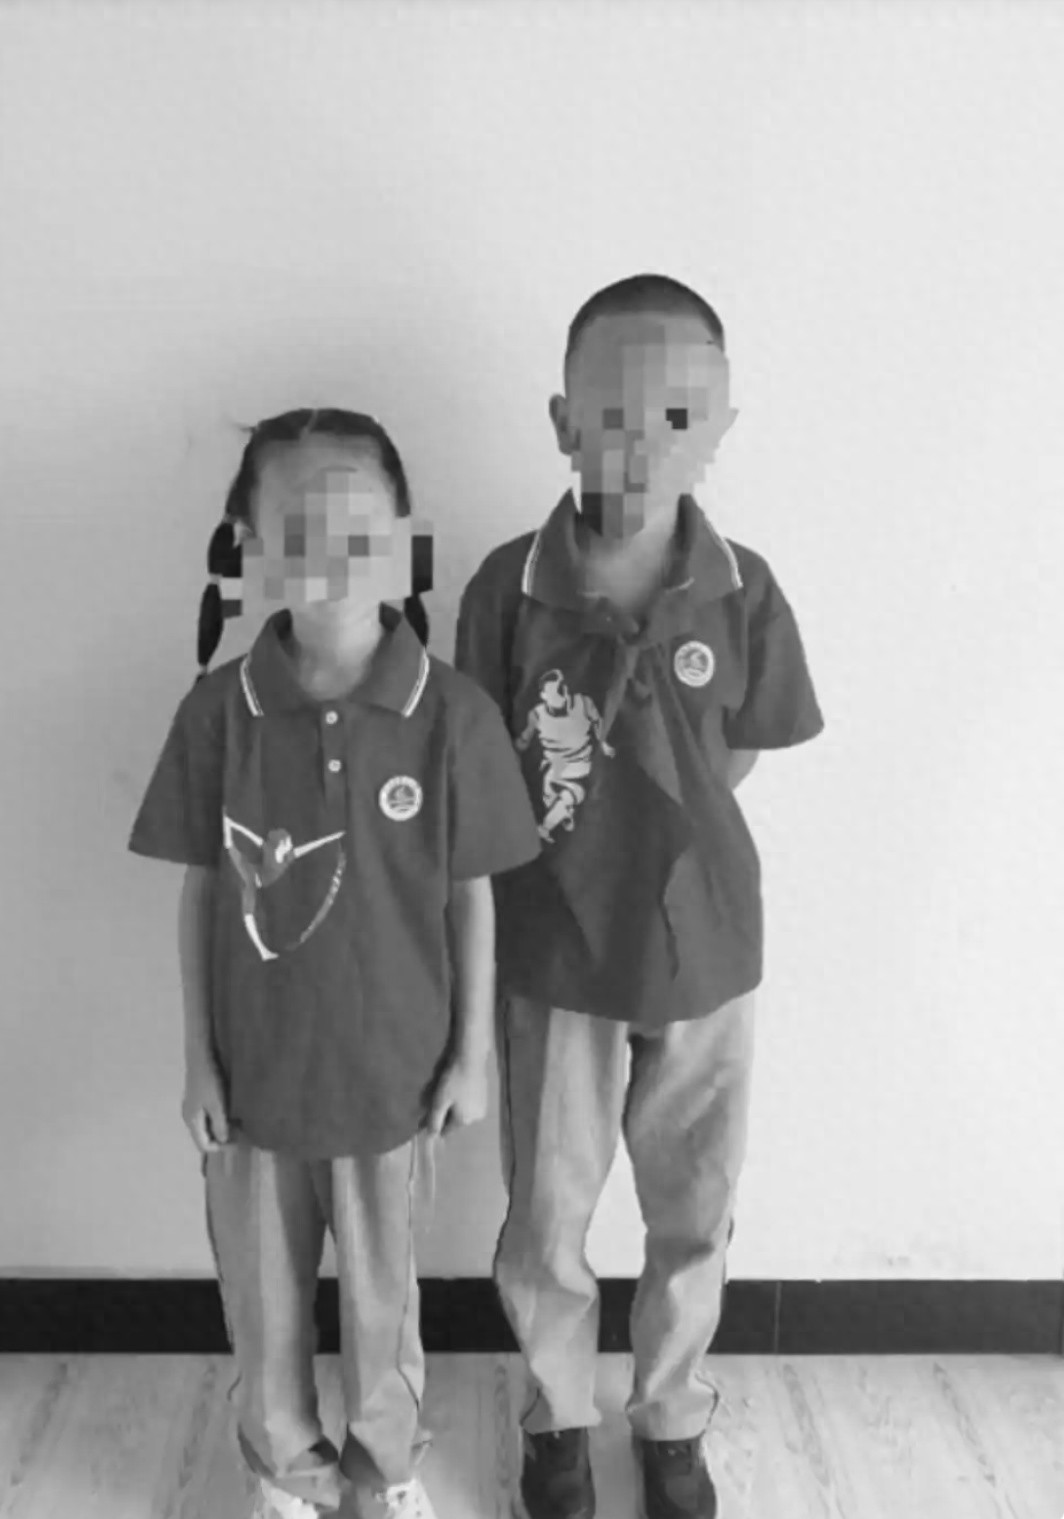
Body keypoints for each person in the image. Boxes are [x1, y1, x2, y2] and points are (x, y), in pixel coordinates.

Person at [454, 276, 825, 1519]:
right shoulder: (506, 591)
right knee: (548, 1207)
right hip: (554, 954)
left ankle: (671, 1415)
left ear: (721, 429)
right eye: (613, 412)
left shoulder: (743, 589)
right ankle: (557, 1416)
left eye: (678, 415)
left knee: (695, 1201)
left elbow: (743, 748)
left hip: (707, 949)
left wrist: (672, 839)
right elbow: (478, 763)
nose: (644, 440)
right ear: (564, 422)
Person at [128, 408, 542, 1519]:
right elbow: (201, 890)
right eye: (299, 530)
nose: (330, 554)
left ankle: (383, 1468)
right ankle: (285, 1471)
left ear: (406, 542)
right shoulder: (218, 713)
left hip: (393, 1083)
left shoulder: (452, 715)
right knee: (262, 1304)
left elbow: (472, 892)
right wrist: (198, 1060)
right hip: (253, 1085)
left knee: (382, 1302)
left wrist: (471, 1054)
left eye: (359, 529)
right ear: (249, 547)